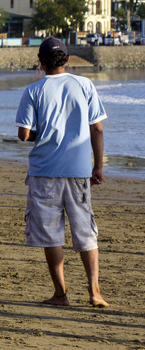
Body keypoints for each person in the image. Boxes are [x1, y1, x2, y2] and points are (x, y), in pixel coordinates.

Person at [15, 38, 108, 308]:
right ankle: (94, 292)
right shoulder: (85, 85)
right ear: (67, 60)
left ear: (40, 62)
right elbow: (97, 129)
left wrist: (42, 133)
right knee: (85, 231)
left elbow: (23, 134)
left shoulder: (33, 90)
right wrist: (98, 166)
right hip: (78, 170)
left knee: (51, 234)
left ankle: (61, 294)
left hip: (45, 170)